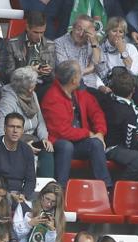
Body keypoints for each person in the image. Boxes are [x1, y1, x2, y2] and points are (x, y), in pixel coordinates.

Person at [43, 60, 112, 188]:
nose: (82, 76)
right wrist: (88, 133)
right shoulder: (52, 97)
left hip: (80, 141)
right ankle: (60, 189)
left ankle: (105, 187)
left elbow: (97, 113)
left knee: (96, 143)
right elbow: (62, 131)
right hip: (59, 142)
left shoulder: (79, 92)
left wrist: (100, 133)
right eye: (80, 74)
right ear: (74, 79)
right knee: (66, 146)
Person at [0, 113, 38, 200]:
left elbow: (31, 180)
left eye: (18, 127)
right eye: (11, 126)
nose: (15, 130)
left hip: (20, 194)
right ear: (4, 128)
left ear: (22, 130)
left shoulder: (27, 150)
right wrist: (8, 195)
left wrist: (23, 195)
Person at [0, 10, 56, 95]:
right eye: (35, 32)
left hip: (41, 85)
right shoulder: (12, 44)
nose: (39, 36)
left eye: (42, 32)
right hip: (20, 86)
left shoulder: (50, 45)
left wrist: (48, 72)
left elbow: (53, 77)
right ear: (27, 27)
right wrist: (29, 70)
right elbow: (9, 75)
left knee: (53, 90)